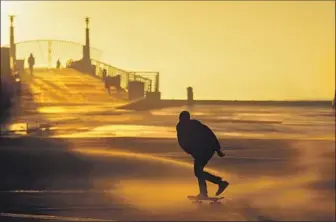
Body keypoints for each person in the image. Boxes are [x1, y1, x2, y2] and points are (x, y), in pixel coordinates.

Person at [176, 111, 229, 199]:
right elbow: (182, 142)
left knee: (198, 172)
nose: (183, 120)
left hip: (207, 149)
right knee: (198, 172)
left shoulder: (195, 124)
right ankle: (210, 189)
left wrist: (217, 149)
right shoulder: (180, 127)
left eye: (184, 119)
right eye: (181, 119)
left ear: (188, 118)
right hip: (198, 151)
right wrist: (191, 152)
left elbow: (209, 134)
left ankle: (218, 184)